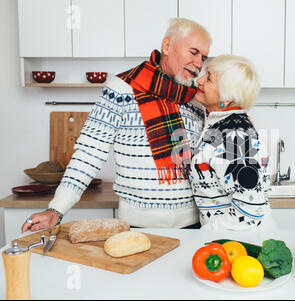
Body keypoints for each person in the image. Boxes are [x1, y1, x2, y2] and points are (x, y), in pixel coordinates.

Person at [21, 18, 211, 233]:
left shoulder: (196, 99)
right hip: (136, 227)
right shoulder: (121, 89)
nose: (198, 64)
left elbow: (210, 155)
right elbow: (89, 153)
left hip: (195, 225)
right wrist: (56, 209)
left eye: (203, 57)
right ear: (167, 46)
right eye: (193, 52)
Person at [189, 55, 276, 231]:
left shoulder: (235, 136)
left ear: (227, 98)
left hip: (242, 243)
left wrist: (207, 233)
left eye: (209, 78)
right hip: (236, 240)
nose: (199, 80)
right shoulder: (223, 125)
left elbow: (249, 210)